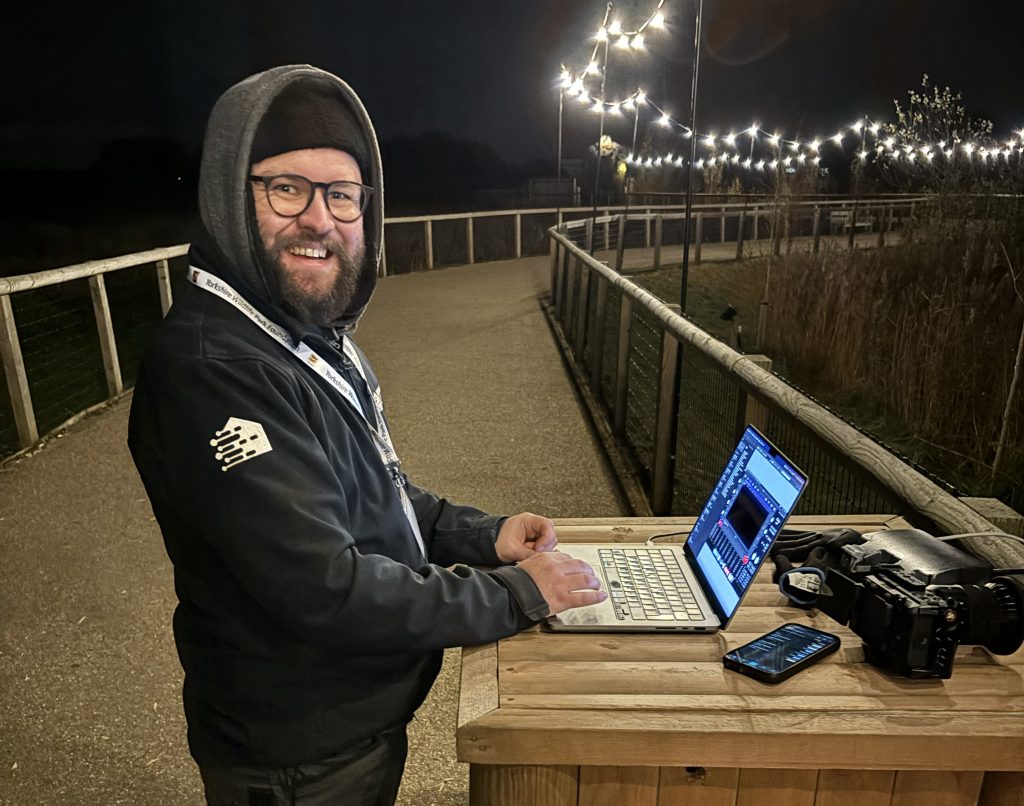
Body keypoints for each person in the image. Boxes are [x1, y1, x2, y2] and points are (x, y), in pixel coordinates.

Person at [127, 64, 606, 806]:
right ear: (229, 193)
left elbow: (374, 489)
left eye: (342, 195)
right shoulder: (212, 369)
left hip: (344, 728)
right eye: (286, 187)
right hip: (295, 753)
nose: (318, 218)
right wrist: (515, 595)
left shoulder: (303, 336)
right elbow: (325, 587)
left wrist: (487, 536)